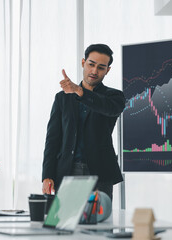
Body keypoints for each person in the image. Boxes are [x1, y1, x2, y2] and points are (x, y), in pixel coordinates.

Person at [42, 44, 125, 200]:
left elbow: (109, 109)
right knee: (66, 222)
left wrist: (79, 91)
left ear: (107, 70)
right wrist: (47, 175)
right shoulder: (62, 98)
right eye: (91, 64)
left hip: (100, 172)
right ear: (83, 63)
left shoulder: (114, 97)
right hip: (68, 170)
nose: (94, 71)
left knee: (99, 223)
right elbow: (52, 139)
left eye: (101, 67)